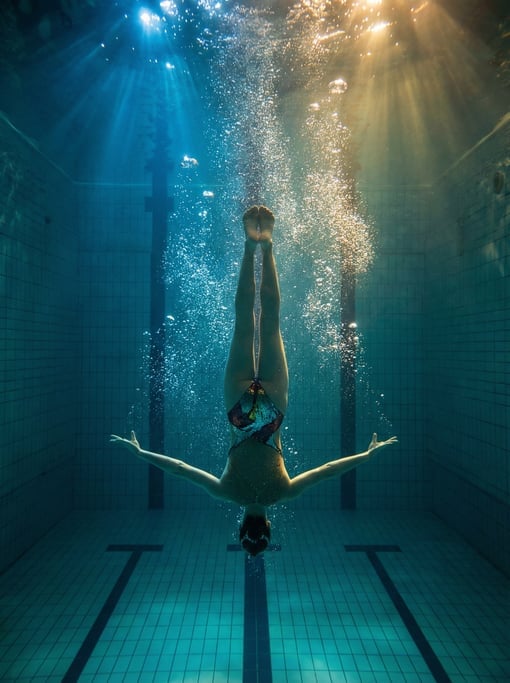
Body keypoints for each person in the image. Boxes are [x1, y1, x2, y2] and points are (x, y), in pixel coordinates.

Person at [111, 206, 397, 556]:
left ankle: (269, 244)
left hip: (272, 412)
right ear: (242, 524)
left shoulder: (283, 493)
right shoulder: (226, 492)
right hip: (238, 411)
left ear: (269, 525)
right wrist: (141, 453)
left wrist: (366, 456)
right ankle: (251, 246)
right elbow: (182, 470)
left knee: (271, 321)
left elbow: (326, 471)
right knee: (244, 321)